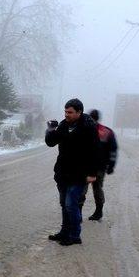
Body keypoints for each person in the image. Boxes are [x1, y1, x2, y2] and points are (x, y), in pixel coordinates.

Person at [45, 98, 99, 246]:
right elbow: (50, 142)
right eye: (65, 111)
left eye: (70, 112)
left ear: (79, 112)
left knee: (71, 204)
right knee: (64, 204)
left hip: (79, 173)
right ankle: (64, 232)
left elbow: (95, 151)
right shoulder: (63, 125)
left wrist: (92, 173)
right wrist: (50, 129)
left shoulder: (89, 127)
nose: (66, 114)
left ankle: (75, 235)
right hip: (63, 172)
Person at [85, 109, 118, 221]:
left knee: (81, 188)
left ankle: (77, 211)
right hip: (100, 166)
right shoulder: (107, 131)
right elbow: (113, 150)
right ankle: (99, 211)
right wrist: (111, 165)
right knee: (97, 187)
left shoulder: (84, 130)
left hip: (85, 165)